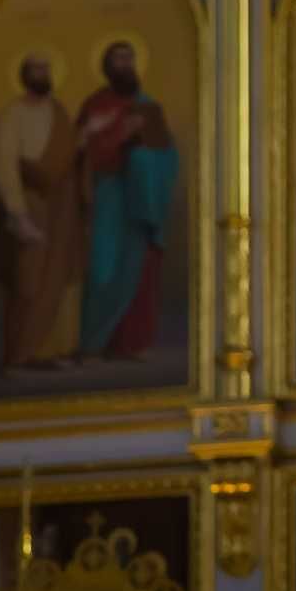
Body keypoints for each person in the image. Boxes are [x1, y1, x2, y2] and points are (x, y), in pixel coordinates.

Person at [76, 41, 181, 362]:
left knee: (139, 269)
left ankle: (131, 344)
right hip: (110, 193)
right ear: (107, 66)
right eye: (119, 59)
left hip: (142, 200)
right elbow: (84, 151)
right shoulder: (96, 105)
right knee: (103, 268)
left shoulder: (148, 106)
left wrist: (150, 161)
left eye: (130, 58)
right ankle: (93, 343)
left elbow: (167, 152)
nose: (126, 64)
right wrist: (121, 131)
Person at [0, 54, 80, 369]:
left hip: (59, 206)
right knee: (26, 281)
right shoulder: (12, 114)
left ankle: (48, 351)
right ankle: (18, 354)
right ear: (24, 75)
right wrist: (17, 213)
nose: (43, 74)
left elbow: (71, 155)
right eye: (37, 69)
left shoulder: (59, 113)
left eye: (46, 68)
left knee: (57, 276)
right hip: (29, 203)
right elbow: (5, 164)